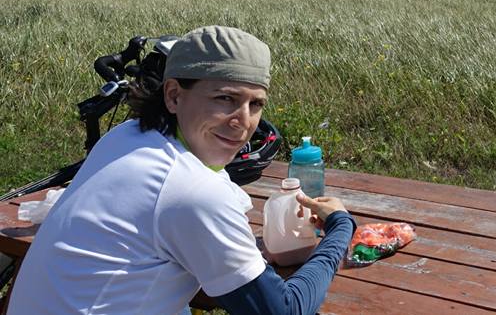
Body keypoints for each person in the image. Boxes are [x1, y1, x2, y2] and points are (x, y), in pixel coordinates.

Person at [8, 26, 355, 315]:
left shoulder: (127, 136)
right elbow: (285, 310)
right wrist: (340, 227)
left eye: (256, 104)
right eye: (225, 98)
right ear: (173, 95)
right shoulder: (192, 190)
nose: (243, 122)